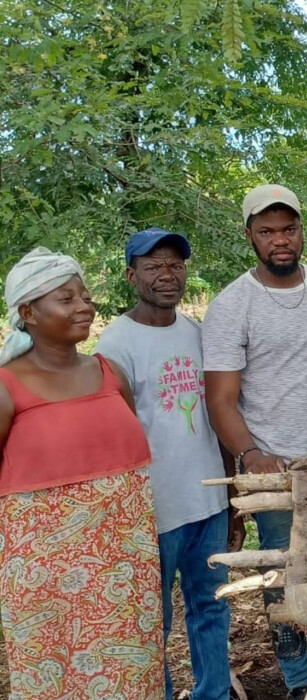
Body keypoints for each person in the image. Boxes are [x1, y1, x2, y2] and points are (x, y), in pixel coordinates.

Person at [203, 185, 307, 700]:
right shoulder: (233, 305)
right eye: (267, 231)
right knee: (284, 576)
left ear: (302, 231)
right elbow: (221, 399)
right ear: (249, 235)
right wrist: (252, 454)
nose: (280, 241)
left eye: (288, 229)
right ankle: (301, 681)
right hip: (277, 469)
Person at [0, 248, 164, 699]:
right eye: (66, 298)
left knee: (131, 679)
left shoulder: (109, 374)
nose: (84, 306)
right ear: (28, 312)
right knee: (54, 678)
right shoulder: (6, 387)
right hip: (45, 585)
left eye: (85, 296)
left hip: (125, 576)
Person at [95, 229, 244, 700]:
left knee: (212, 607)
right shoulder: (115, 346)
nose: (167, 275)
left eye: (175, 265)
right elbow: (113, 440)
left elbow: (216, 415)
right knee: (150, 624)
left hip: (208, 503)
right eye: (154, 265)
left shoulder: (196, 334)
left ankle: (213, 693)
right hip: (152, 513)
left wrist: (232, 494)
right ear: (131, 274)